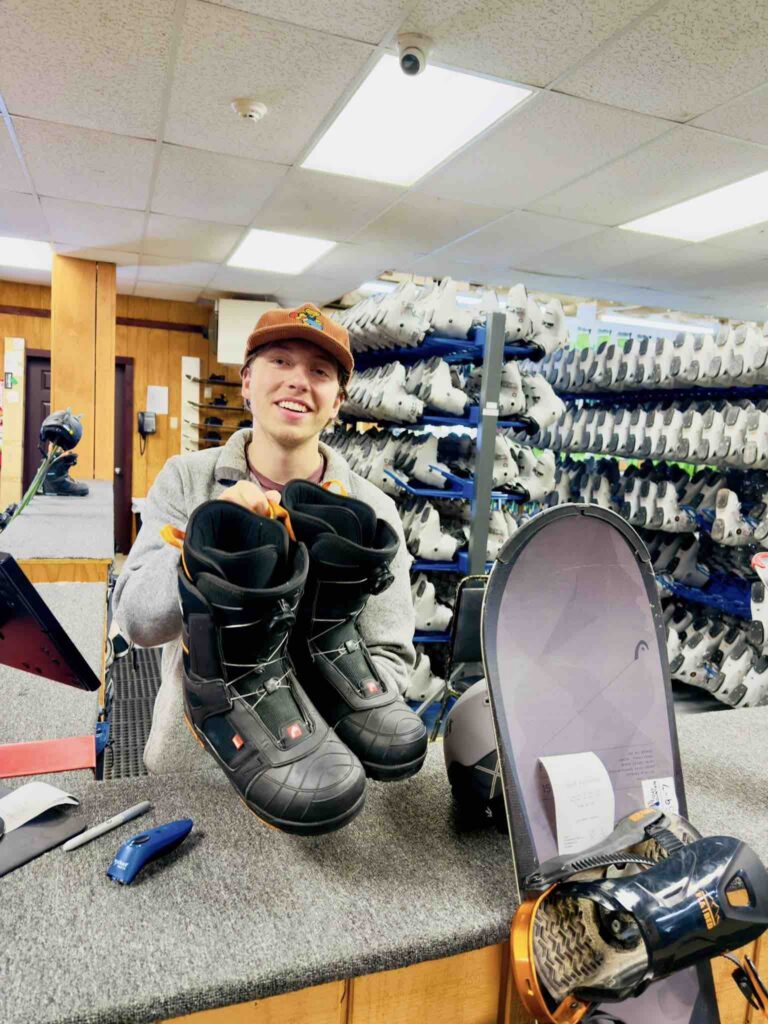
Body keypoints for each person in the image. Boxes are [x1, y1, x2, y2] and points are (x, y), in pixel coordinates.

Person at [113, 303, 416, 775]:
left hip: (319, 773)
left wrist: (308, 726)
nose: (299, 380)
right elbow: (136, 621)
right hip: (194, 770)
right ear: (247, 382)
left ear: (336, 402)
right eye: (280, 362)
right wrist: (205, 550)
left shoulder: (373, 512)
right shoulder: (187, 480)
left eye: (320, 371)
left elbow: (390, 656)